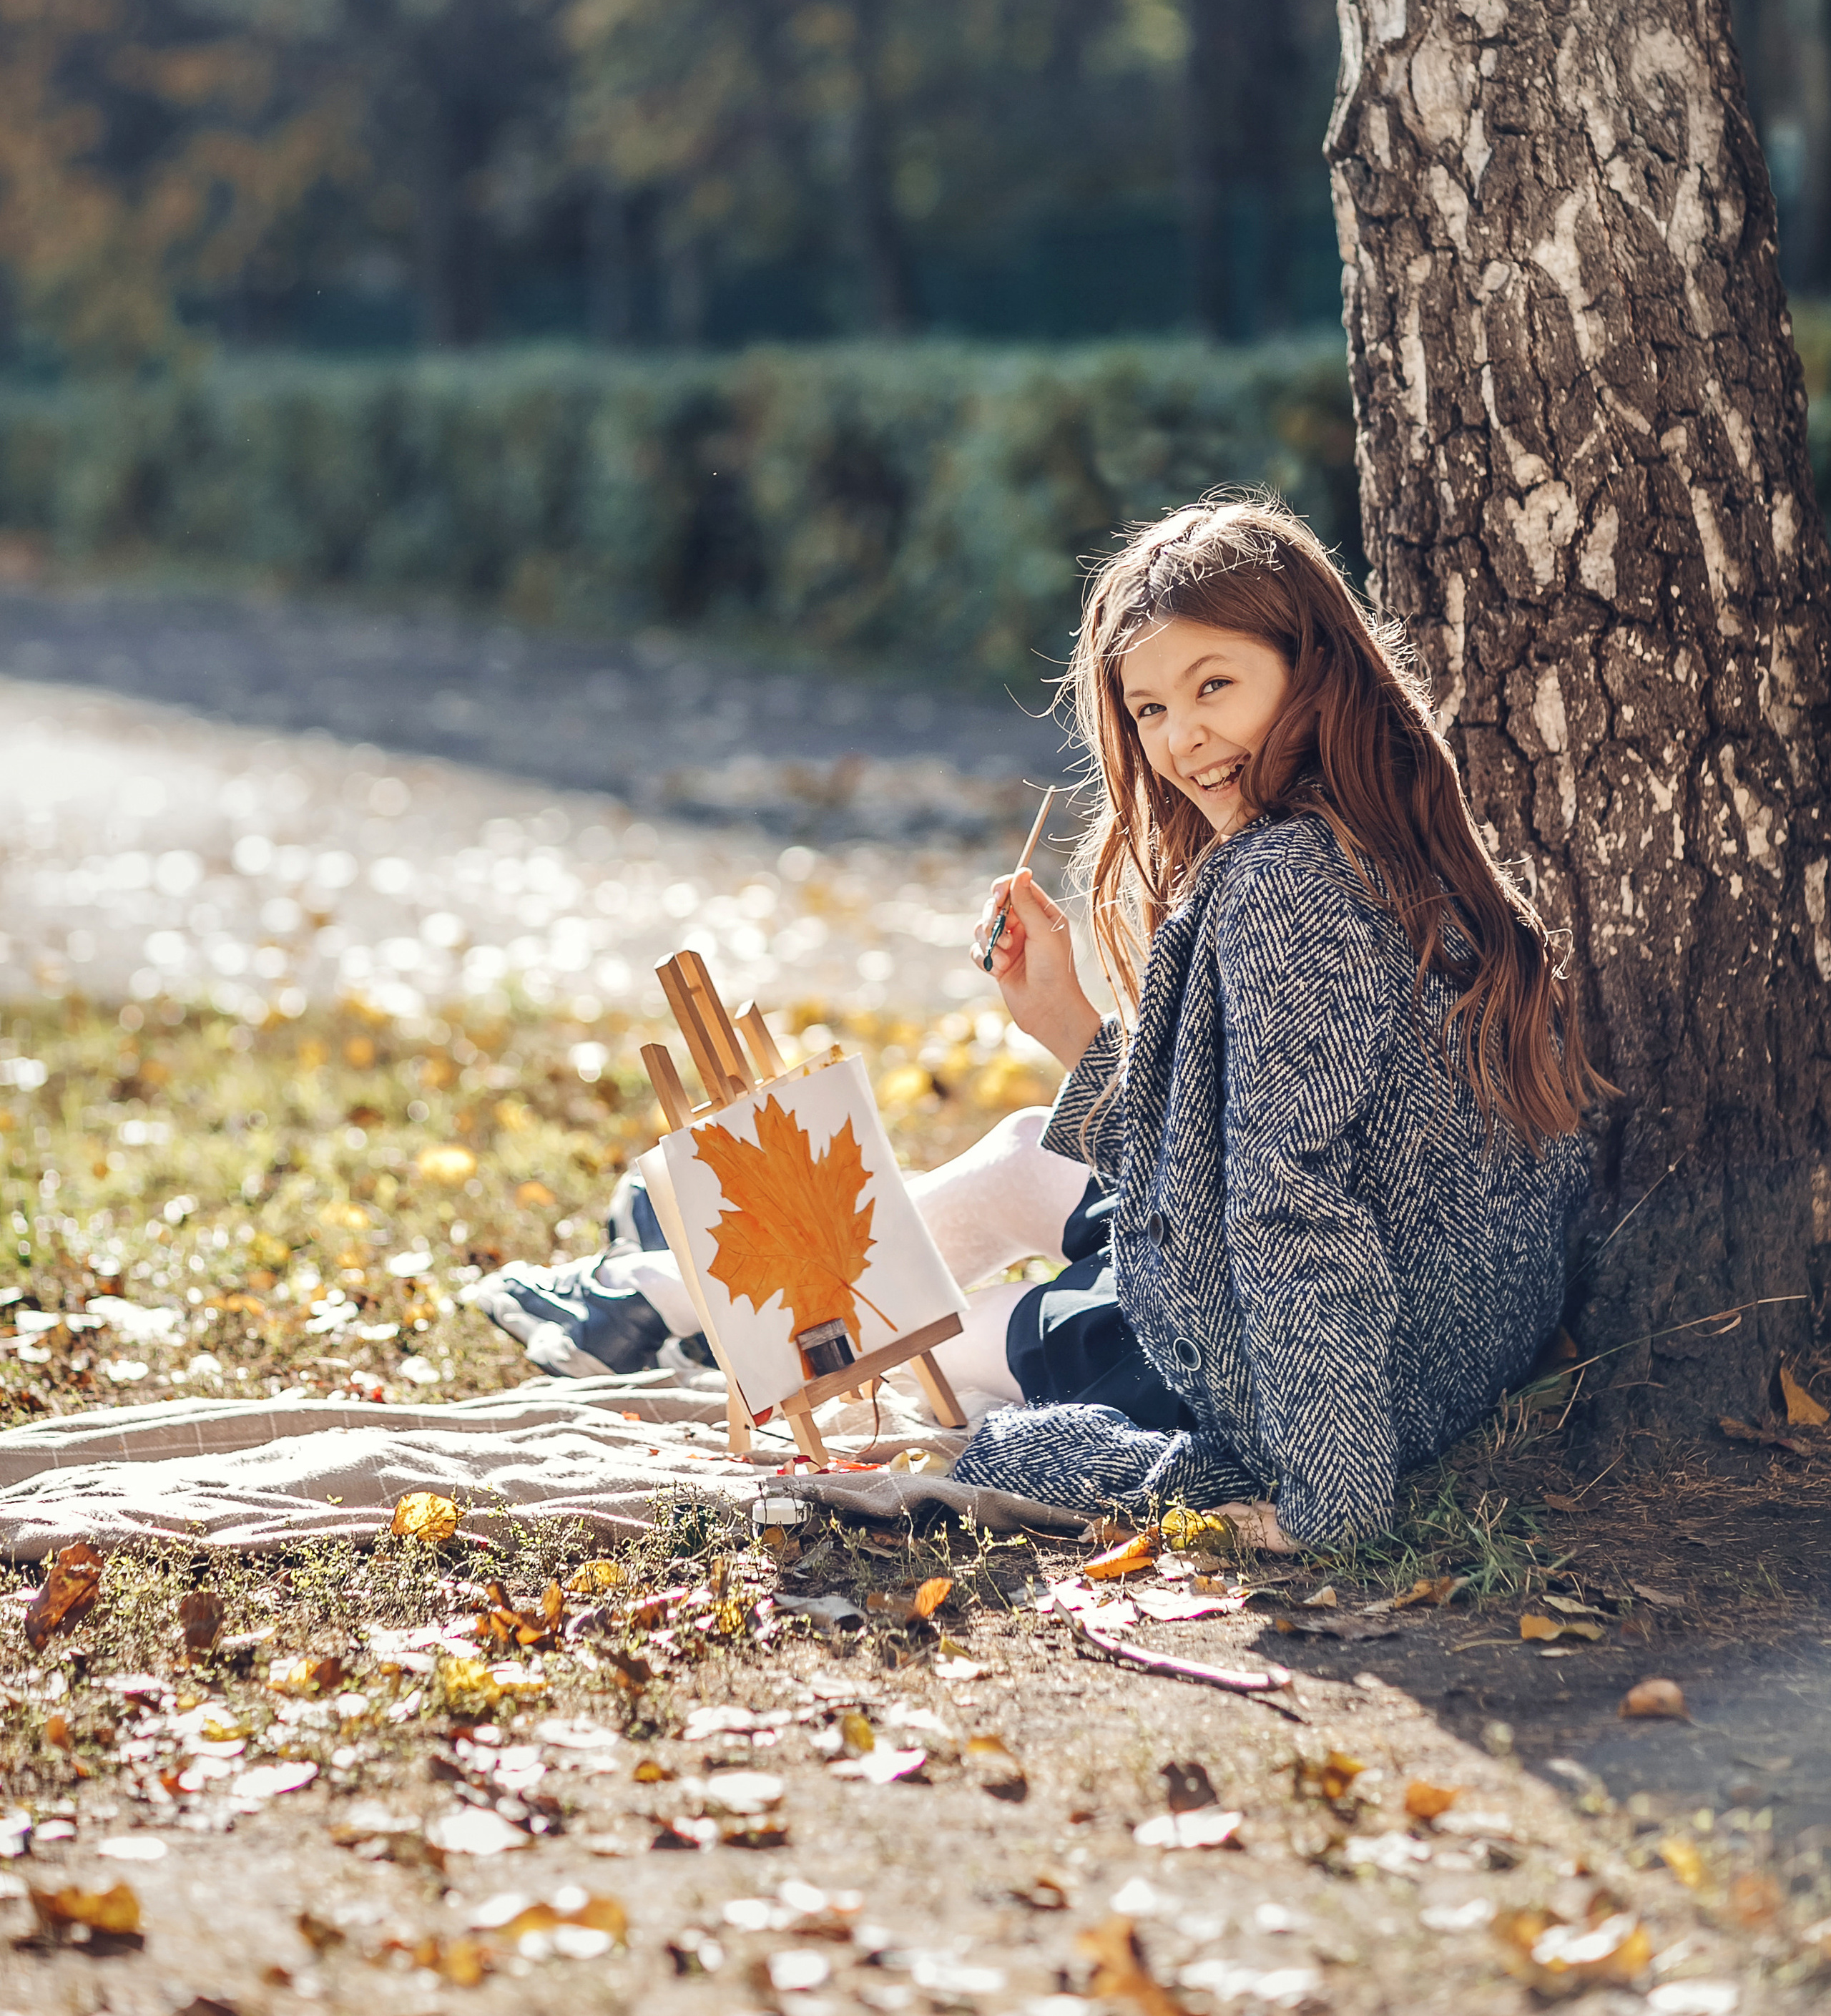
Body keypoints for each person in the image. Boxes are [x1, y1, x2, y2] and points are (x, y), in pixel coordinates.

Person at [468, 494, 1594, 1545]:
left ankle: (675, 1297)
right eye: (1151, 708)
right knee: (1018, 1154)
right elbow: (1245, 1139)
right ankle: (665, 1292)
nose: (1184, 739)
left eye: (1216, 686)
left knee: (960, 1335)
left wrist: (1327, 1501)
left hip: (1316, 1375)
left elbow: (1286, 1198)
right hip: (1398, 1332)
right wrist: (1064, 1018)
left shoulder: (1284, 880)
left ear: (1314, 670)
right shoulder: (1385, 837)